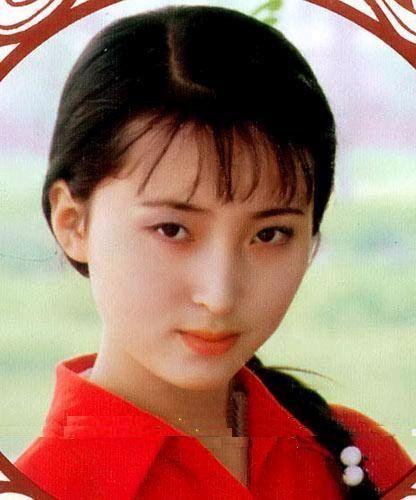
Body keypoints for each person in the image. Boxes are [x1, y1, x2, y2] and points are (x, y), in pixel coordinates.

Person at [14, 5, 413, 499]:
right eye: (172, 229)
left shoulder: (366, 460)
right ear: (73, 223)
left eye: (270, 234)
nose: (220, 295)